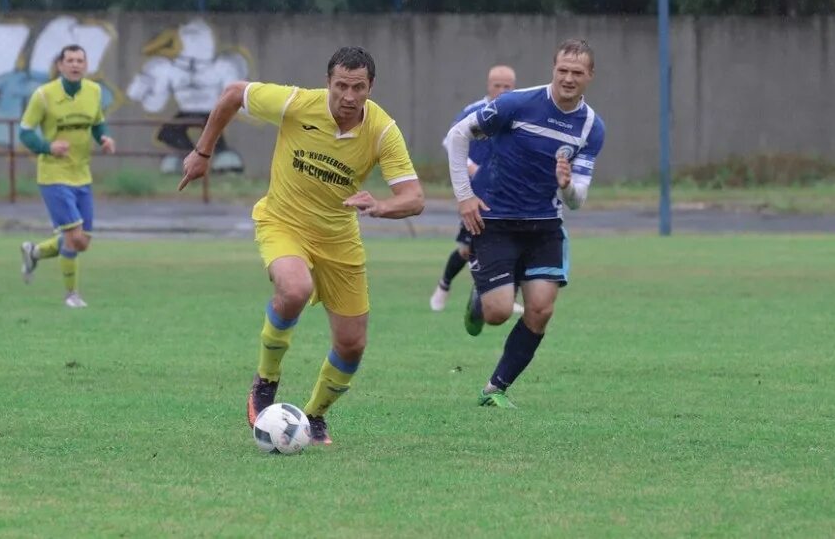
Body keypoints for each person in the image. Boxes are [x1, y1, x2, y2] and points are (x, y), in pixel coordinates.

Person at [178, 46, 424, 444]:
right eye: (341, 85)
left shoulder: (382, 130)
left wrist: (381, 205)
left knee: (351, 345)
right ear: (328, 82)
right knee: (294, 288)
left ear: (370, 87)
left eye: (358, 87)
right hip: (283, 222)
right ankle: (266, 381)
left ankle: (315, 417)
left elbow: (414, 198)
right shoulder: (296, 103)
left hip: (339, 239)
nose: (348, 96)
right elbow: (232, 94)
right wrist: (203, 151)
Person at [446, 39, 605, 408]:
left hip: (545, 226)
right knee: (499, 312)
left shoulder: (591, 127)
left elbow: (578, 199)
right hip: (497, 221)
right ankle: (480, 300)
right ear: (553, 69)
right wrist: (464, 195)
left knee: (541, 310)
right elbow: (458, 136)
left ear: (590, 76)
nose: (568, 78)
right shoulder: (515, 104)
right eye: (562, 70)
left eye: (577, 73)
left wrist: (566, 186)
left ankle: (495, 389)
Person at [18, 44, 116, 308]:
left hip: (82, 174)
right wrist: (47, 147)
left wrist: (103, 138)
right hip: (53, 175)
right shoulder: (44, 95)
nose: (75, 65)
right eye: (70, 60)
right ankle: (71, 295)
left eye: (80, 61)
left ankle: (34, 252)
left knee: (82, 242)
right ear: (60, 65)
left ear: (86, 65)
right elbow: (25, 132)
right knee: (73, 237)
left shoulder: (94, 92)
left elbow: (97, 123)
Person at [429, 65, 523, 316]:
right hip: (476, 194)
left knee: (512, 244)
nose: (502, 90)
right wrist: (472, 169)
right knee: (466, 249)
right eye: (497, 85)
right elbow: (451, 140)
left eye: (507, 86)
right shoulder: (474, 111)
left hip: (509, 194)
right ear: (488, 85)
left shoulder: (519, 113)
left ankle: (502, 295)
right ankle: (444, 285)